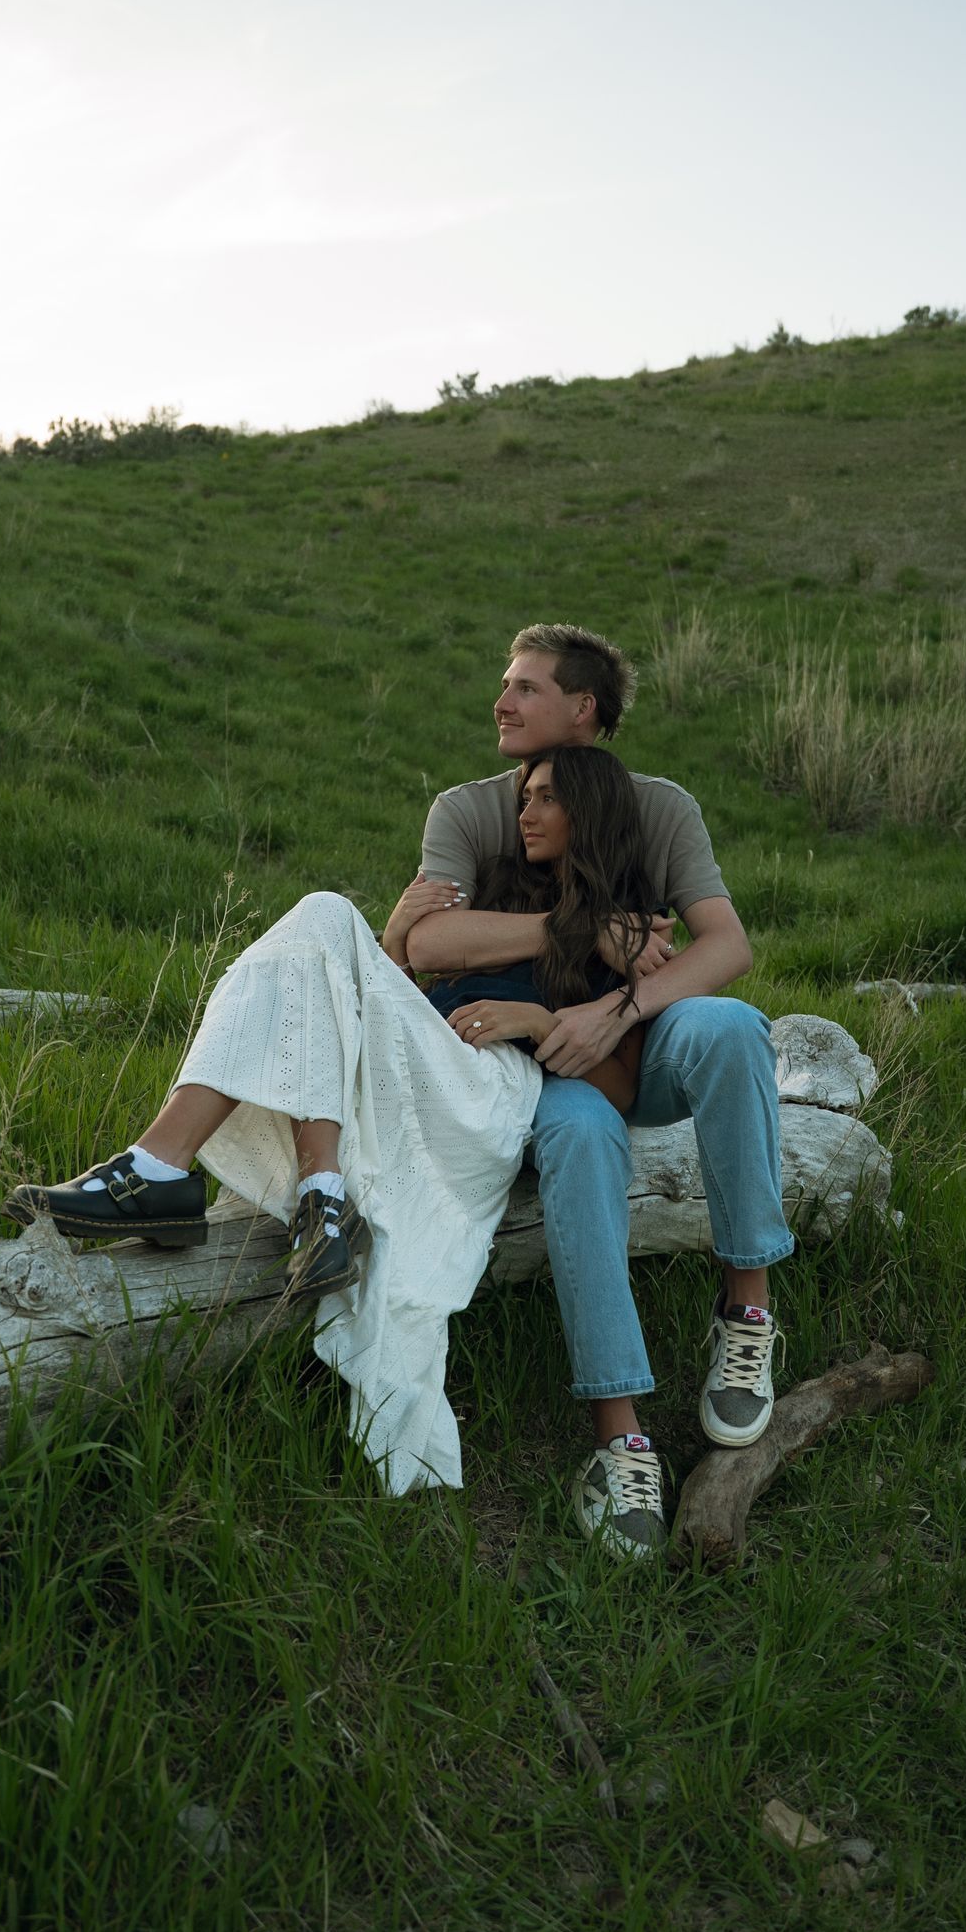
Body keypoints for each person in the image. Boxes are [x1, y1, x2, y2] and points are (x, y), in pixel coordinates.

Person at [3, 740, 666, 1510]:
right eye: (524, 796)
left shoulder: (631, 931)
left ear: (590, 812)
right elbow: (417, 958)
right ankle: (310, 1198)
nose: (526, 811)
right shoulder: (509, 888)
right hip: (421, 1068)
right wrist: (395, 946)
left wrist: (539, 1016)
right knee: (321, 923)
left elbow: (620, 1083)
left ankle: (174, 1173)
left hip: (493, 1096)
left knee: (322, 914)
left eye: (547, 798)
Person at [400, 622, 792, 1559]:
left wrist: (621, 1004)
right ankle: (621, 1438)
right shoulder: (468, 812)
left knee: (734, 1025)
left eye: (526, 688)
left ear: (584, 711)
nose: (502, 703)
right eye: (506, 684)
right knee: (576, 1135)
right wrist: (574, 936)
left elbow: (726, 948)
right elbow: (426, 947)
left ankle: (747, 1310)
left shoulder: (658, 808)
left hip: (645, 1042)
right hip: (549, 1065)